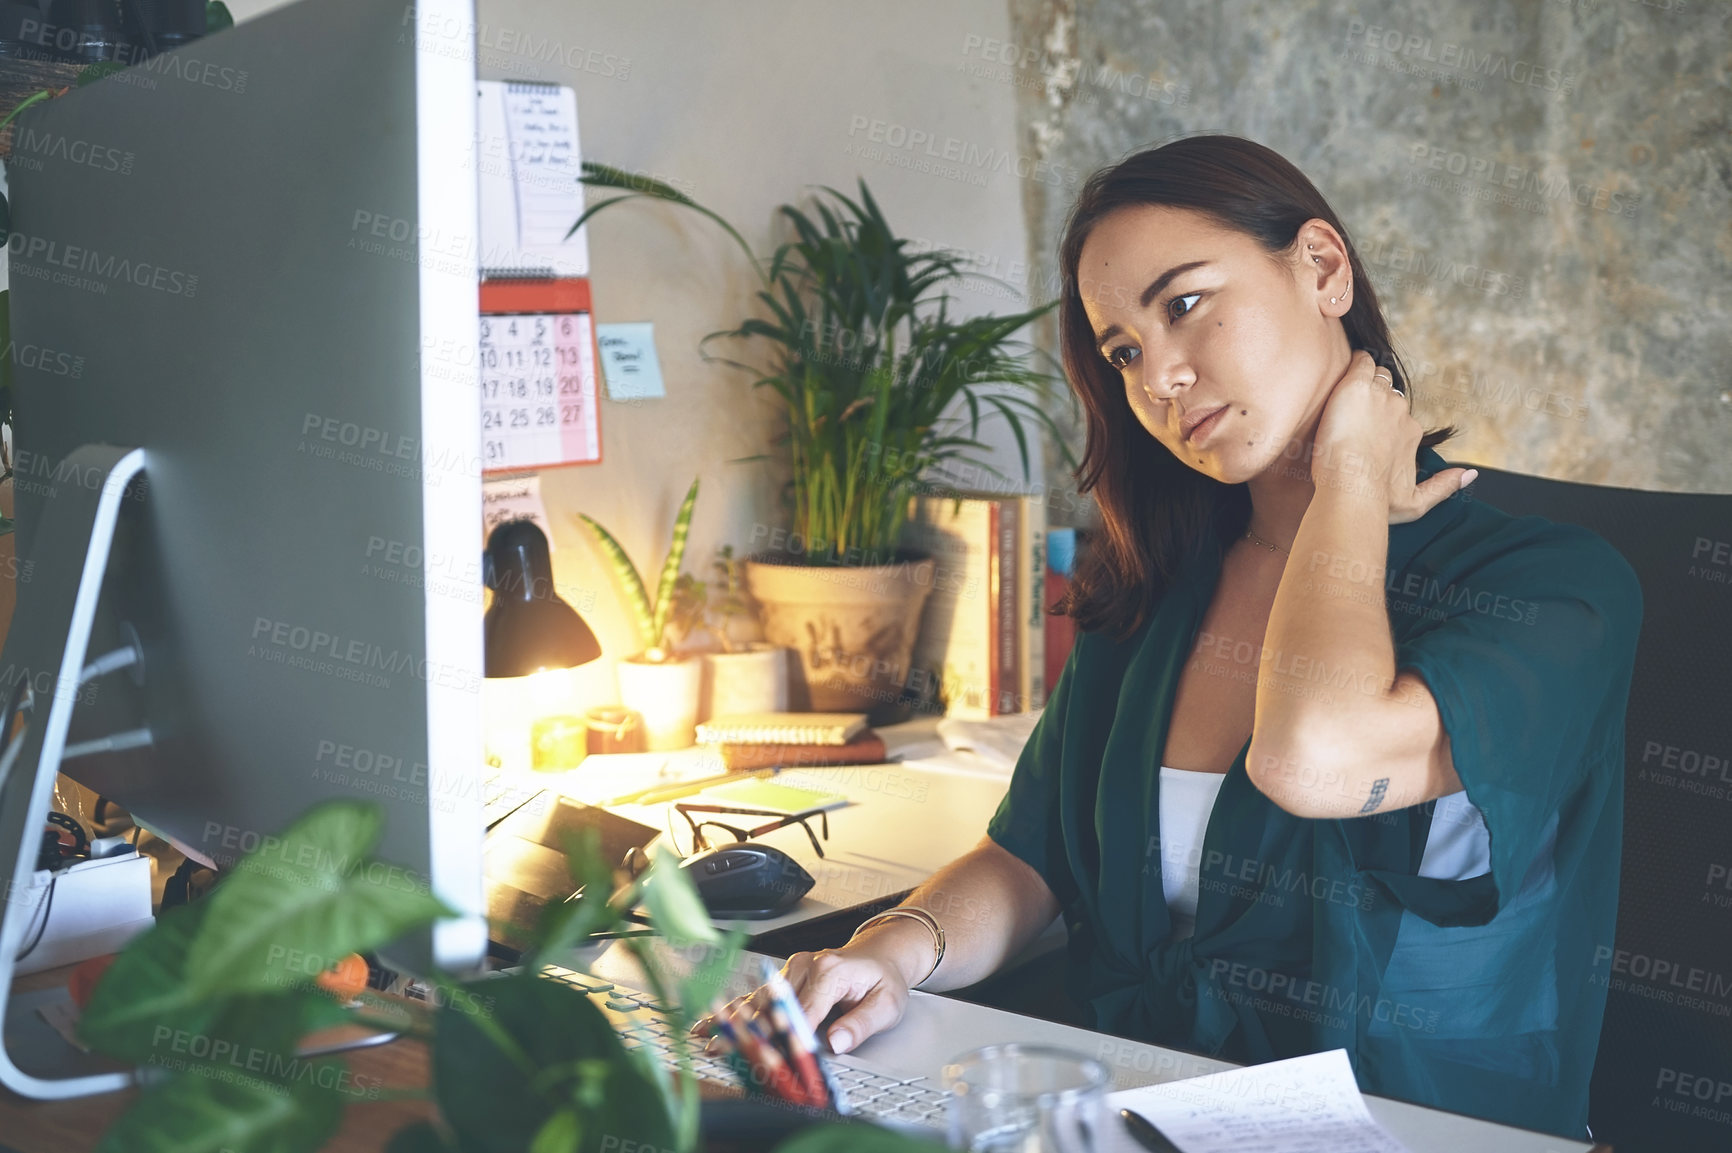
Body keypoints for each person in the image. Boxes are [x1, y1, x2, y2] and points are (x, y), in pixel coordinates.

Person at [695, 134, 1643, 1140]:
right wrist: (890, 949)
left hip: (1414, 1127)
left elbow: (1309, 756)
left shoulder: (1553, 587)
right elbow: (1031, 859)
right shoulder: (1156, 586)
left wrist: (1354, 473)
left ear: (1322, 268)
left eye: (1184, 304)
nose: (1162, 380)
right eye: (1125, 352)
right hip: (1133, 1108)